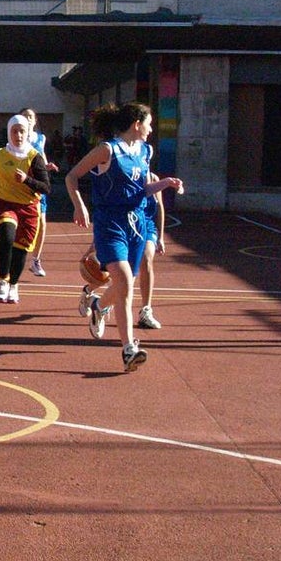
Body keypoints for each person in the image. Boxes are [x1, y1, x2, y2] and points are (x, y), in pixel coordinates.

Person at [65, 102, 184, 373]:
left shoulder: (144, 151)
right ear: (137, 124)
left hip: (137, 224)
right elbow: (72, 177)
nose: (151, 129)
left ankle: (97, 305)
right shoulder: (107, 150)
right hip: (110, 223)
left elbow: (141, 188)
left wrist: (165, 183)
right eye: (150, 124)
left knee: (123, 283)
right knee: (124, 280)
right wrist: (79, 205)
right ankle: (129, 349)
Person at [0, 114, 51, 305]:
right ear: (9, 133)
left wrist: (27, 180)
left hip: (29, 208)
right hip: (5, 203)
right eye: (14, 131)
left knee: (20, 250)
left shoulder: (35, 158)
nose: (18, 135)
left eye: (22, 131)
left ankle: (14, 285)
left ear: (27, 133)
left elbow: (46, 188)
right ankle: (2, 280)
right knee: (6, 235)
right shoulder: (0, 154)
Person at [19, 108, 59, 277]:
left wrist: (47, 166)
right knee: (20, 224)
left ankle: (36, 260)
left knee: (42, 223)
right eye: (25, 116)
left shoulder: (40, 138)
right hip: (20, 185)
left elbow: (42, 158)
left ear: (35, 121)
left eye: (31, 117)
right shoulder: (17, 138)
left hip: (37, 186)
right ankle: (16, 258)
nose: (28, 119)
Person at [136, 170, 167, 330]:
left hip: (147, 226)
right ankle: (95, 295)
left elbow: (160, 208)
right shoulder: (128, 174)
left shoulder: (155, 178)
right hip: (130, 223)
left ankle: (146, 310)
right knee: (123, 269)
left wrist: (161, 237)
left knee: (146, 260)